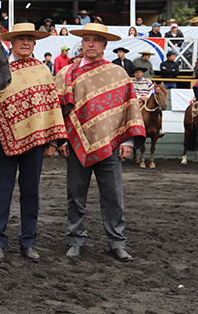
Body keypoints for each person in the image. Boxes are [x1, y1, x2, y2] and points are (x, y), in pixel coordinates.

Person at [55, 22, 146, 262]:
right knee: (75, 195)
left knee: (114, 196)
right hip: (76, 146)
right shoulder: (66, 74)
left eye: (96, 40)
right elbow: (58, 111)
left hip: (111, 146)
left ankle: (116, 242)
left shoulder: (118, 73)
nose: (91, 44)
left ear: (105, 45)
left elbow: (130, 107)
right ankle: (75, 240)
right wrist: (62, 140)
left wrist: (127, 139)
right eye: (87, 40)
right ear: (82, 44)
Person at [0, 23, 67, 263]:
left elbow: (51, 106)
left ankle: (28, 242)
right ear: (11, 42)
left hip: (36, 141)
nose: (25, 42)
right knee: (2, 191)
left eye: (30, 39)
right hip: (5, 139)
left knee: (31, 192)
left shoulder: (42, 70)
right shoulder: (0, 69)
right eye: (21, 38)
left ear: (35, 43)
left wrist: (52, 141)